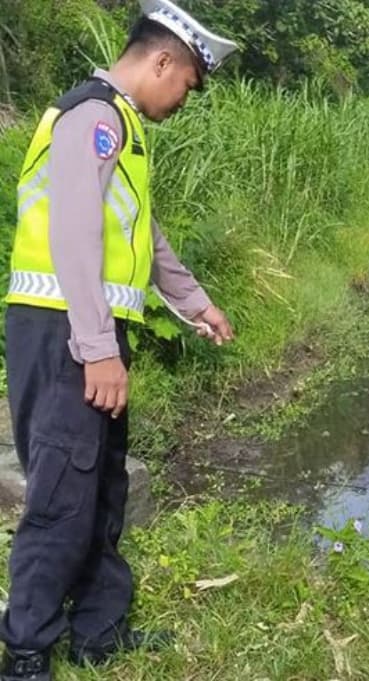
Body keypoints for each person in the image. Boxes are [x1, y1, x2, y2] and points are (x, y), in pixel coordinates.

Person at [1, 2, 237, 679]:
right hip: (64, 332)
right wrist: (97, 347)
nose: (184, 100)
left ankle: (99, 631)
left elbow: (144, 235)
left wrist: (195, 302)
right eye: (187, 84)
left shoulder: (122, 128)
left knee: (102, 486)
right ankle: (26, 649)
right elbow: (75, 232)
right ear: (161, 60)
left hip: (86, 328)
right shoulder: (93, 118)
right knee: (61, 493)